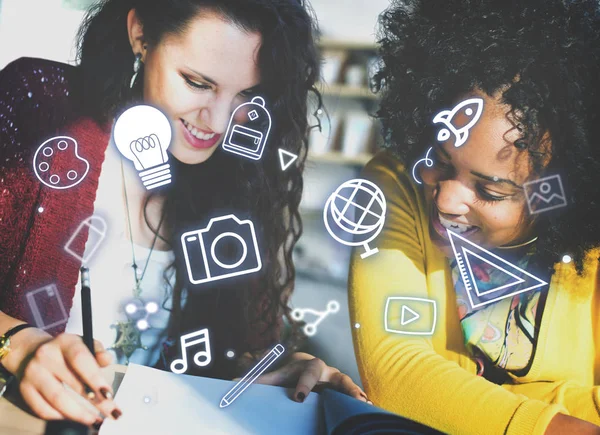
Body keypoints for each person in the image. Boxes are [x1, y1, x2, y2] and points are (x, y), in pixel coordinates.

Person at [0, 0, 366, 427]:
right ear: (141, 36)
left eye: (248, 95)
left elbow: (226, 352)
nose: (220, 122)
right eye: (197, 83)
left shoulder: (245, 182)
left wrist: (264, 370)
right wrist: (17, 344)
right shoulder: (42, 106)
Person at [349, 0, 600, 433]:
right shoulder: (393, 186)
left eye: (490, 190)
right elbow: (397, 374)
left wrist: (458, 402)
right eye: (440, 162)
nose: (446, 199)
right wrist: (554, 411)